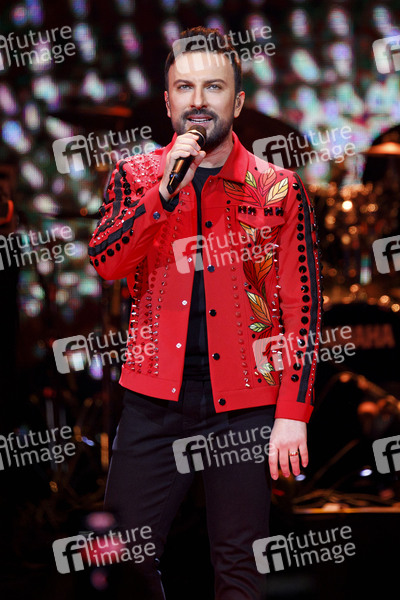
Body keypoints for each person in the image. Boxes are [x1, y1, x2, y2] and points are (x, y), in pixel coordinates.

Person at [89, 26, 322, 600]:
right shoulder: (135, 178)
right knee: (124, 560)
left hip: (245, 407)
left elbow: (303, 308)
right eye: (185, 87)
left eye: (213, 87)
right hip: (152, 401)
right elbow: (106, 263)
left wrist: (292, 412)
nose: (198, 100)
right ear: (167, 101)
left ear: (236, 102)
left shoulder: (279, 189)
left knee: (240, 569)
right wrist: (163, 195)